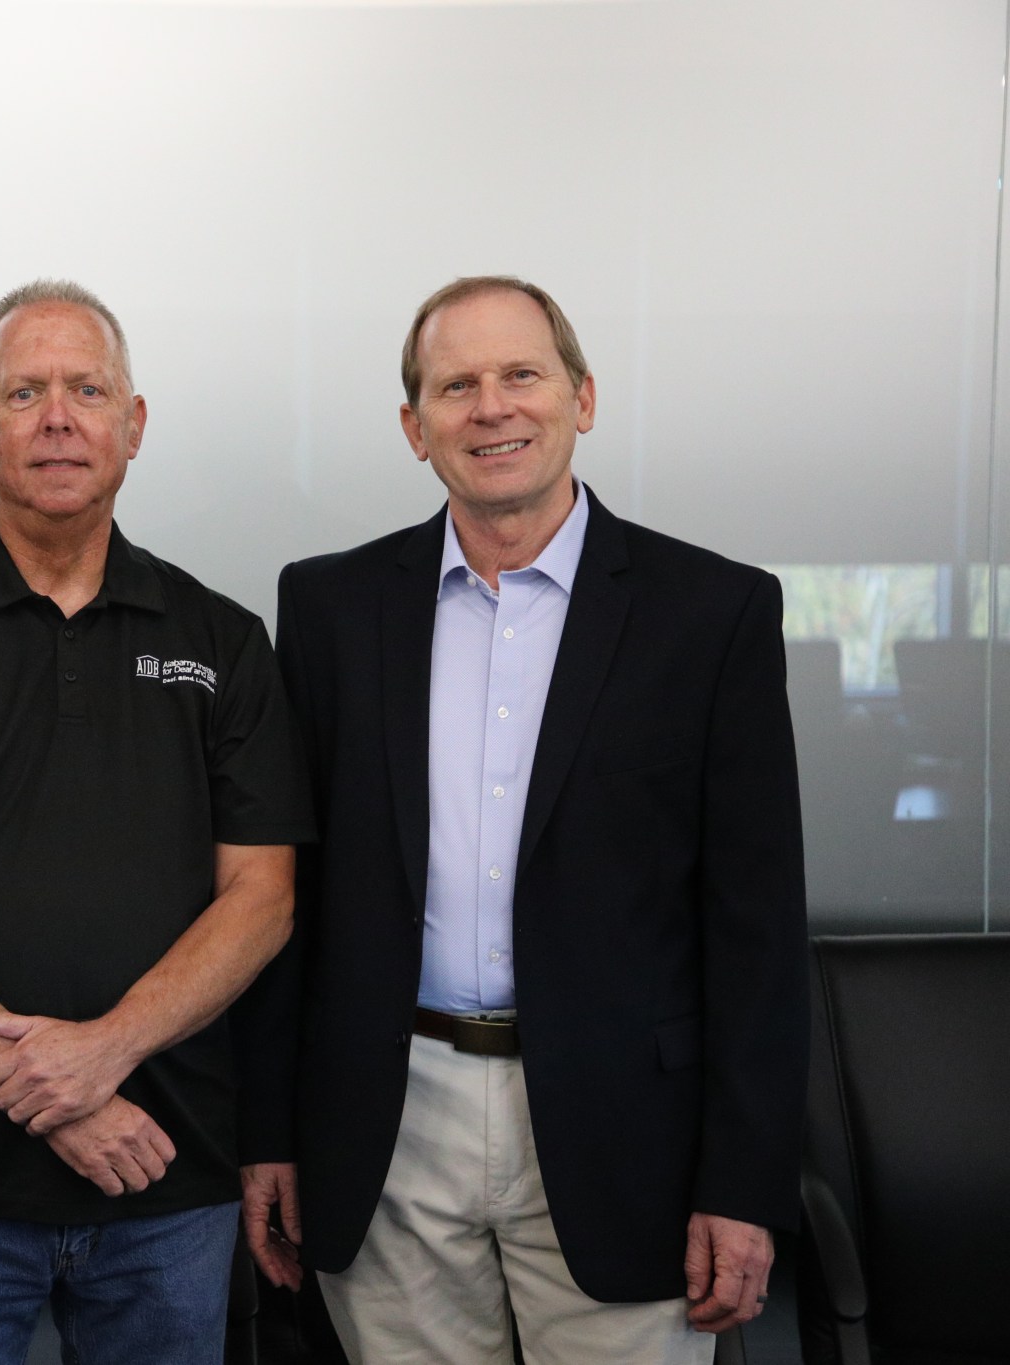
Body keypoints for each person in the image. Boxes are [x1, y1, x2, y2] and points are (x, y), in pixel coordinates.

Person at [238, 276, 808, 1363]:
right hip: (386, 1123)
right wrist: (267, 1132)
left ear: (581, 399)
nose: (489, 407)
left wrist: (743, 1183)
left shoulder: (712, 613)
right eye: (454, 385)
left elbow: (756, 926)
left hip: (626, 1135)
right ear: (414, 428)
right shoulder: (328, 610)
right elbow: (288, 897)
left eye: (520, 375)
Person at [0, 280, 314, 1364]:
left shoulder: (223, 642)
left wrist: (106, 1051)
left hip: (166, 1172)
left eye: (86, 389)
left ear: (133, 424)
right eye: (22, 392)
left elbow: (261, 899)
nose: (57, 417)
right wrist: (64, 1098)